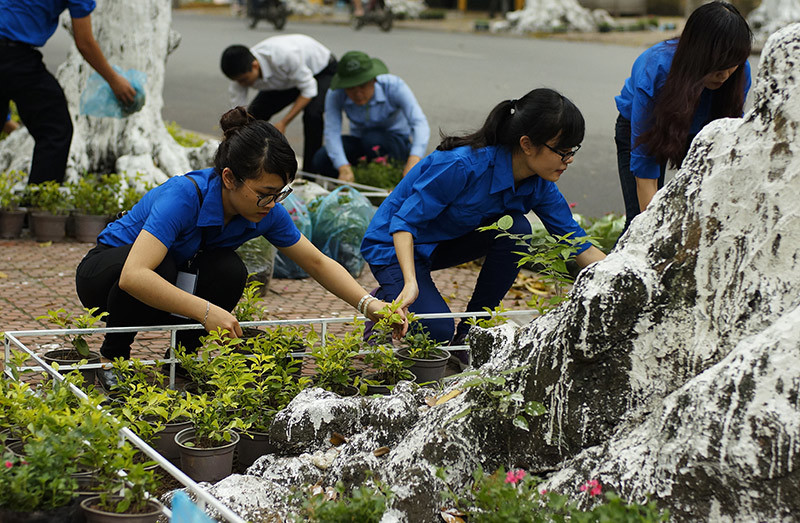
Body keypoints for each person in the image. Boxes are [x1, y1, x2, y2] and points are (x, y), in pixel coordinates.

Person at [75, 107, 407, 387]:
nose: (272, 202)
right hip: (106, 276)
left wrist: (369, 305)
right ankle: (111, 359)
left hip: (173, 275)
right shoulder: (184, 195)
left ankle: (180, 361)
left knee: (229, 271)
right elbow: (134, 276)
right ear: (230, 178)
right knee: (158, 267)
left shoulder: (266, 211)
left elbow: (317, 263)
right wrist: (206, 312)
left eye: (280, 192)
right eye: (265, 192)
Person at [360, 88, 606, 353]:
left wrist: (626, 276)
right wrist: (411, 284)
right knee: (437, 331)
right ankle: (386, 297)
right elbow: (403, 225)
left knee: (517, 229)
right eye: (562, 151)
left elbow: (580, 245)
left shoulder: (539, 185)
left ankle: (469, 335)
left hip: (438, 244)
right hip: (393, 246)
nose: (568, 160)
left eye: (573, 151)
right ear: (527, 144)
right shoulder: (461, 165)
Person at [615, 1, 752, 234]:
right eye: (718, 65)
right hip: (645, 129)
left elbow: (725, 155)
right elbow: (645, 174)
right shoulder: (655, 69)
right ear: (696, 53)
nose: (725, 75)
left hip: (698, 130)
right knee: (638, 224)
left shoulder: (738, 72)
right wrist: (656, 235)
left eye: (732, 65)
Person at [0, 0, 136, 185]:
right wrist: (114, 80)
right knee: (55, 130)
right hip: (14, 54)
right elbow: (84, 42)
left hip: (11, 53)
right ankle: (39, 205)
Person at [220, 35, 337, 171]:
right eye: (238, 81)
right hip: (287, 79)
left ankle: (310, 173)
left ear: (255, 65)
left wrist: (284, 122)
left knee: (312, 115)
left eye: (245, 80)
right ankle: (251, 166)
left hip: (320, 71)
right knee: (253, 116)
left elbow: (308, 91)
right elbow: (238, 116)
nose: (242, 84)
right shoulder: (239, 79)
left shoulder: (284, 56)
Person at [310, 51, 430, 182]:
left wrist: (414, 159)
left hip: (394, 143)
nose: (358, 94)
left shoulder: (394, 86)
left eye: (362, 86)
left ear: (373, 80)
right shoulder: (335, 93)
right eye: (350, 88)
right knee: (322, 157)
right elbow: (332, 131)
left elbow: (419, 122)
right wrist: (342, 166)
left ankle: (394, 178)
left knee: (373, 139)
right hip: (360, 141)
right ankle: (353, 183)